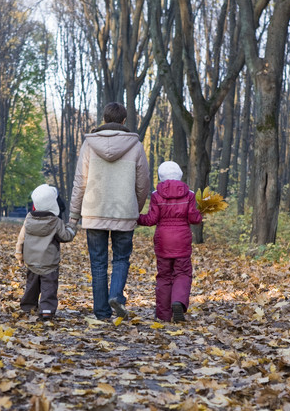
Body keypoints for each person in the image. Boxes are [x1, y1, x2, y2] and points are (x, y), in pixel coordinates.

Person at [69, 102, 150, 320]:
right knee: (121, 259)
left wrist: (74, 216)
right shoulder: (135, 146)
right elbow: (143, 184)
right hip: (124, 212)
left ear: (104, 120)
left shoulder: (88, 146)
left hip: (94, 213)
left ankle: (102, 312)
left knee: (98, 263)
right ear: (124, 121)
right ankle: (116, 295)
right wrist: (136, 208)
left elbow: (80, 183)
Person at [137, 161, 202, 322]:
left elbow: (151, 219)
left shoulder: (156, 195)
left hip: (163, 241)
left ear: (161, 176)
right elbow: (194, 219)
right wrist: (200, 212)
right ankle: (178, 301)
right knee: (183, 273)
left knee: (164, 276)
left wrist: (136, 218)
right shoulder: (190, 195)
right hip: (182, 240)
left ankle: (163, 314)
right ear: (180, 175)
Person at [15, 184, 76, 320]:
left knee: (32, 285)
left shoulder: (28, 219)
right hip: (49, 262)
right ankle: (47, 309)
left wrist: (19, 254)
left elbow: (21, 238)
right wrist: (71, 226)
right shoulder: (55, 221)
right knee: (49, 286)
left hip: (31, 261)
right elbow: (65, 236)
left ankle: (28, 306)